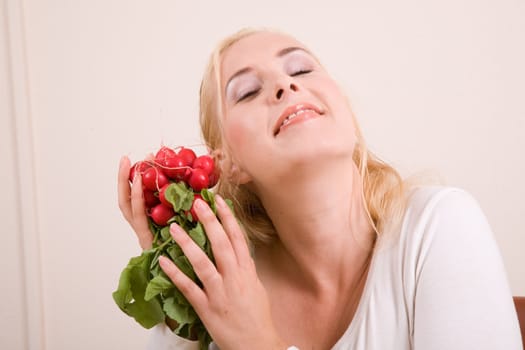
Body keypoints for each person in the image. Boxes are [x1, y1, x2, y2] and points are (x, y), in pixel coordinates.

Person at [117, 28, 523, 350]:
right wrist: (180, 289)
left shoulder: (439, 225)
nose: (285, 86)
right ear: (227, 164)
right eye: (247, 91)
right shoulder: (226, 286)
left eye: (301, 69)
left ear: (341, 106)